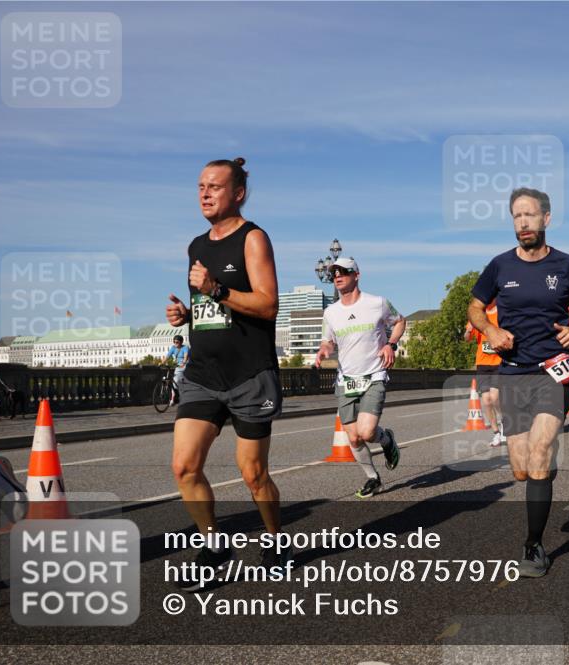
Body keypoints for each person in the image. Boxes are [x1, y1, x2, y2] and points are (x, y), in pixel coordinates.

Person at [165, 157, 288, 585]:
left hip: (249, 375)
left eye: (214, 186)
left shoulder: (253, 239)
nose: (204, 193)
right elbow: (212, 309)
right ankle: (213, 541)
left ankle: (275, 538)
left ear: (237, 193)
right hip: (202, 373)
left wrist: (216, 288)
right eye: (200, 185)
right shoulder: (196, 246)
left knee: (253, 475)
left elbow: (268, 304)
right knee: (184, 467)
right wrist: (187, 314)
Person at [468, 187, 569, 578]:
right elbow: (475, 308)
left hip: (552, 371)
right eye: (516, 216)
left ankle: (533, 545)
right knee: (522, 469)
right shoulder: (498, 266)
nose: (523, 222)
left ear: (546, 218)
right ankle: (541, 474)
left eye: (529, 215)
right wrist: (491, 331)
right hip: (512, 374)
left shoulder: (567, 266)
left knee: (541, 451)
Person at [316, 257, 405, 497]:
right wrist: (324, 349)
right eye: (333, 273)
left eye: (343, 271)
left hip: (374, 375)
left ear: (356, 275)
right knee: (353, 438)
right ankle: (373, 478)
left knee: (367, 432)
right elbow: (328, 340)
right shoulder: (331, 312)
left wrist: (391, 345)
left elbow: (399, 321)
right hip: (346, 380)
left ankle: (386, 440)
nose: (337, 276)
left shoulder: (378, 303)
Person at [465, 301, 505, 447]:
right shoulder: (477, 314)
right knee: (486, 400)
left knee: (495, 397)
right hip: (482, 363)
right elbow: (466, 338)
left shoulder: (503, 312)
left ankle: (505, 422)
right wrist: (468, 331)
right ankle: (496, 433)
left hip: (499, 362)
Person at [164, 335, 190, 406]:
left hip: (185, 366)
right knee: (174, 382)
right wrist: (162, 362)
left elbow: (186, 356)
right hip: (178, 366)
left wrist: (183, 363)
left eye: (177, 342)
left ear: (181, 342)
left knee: (177, 380)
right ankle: (174, 398)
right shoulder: (173, 348)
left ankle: (174, 398)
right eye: (174, 342)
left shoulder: (185, 347)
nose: (176, 343)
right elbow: (168, 356)